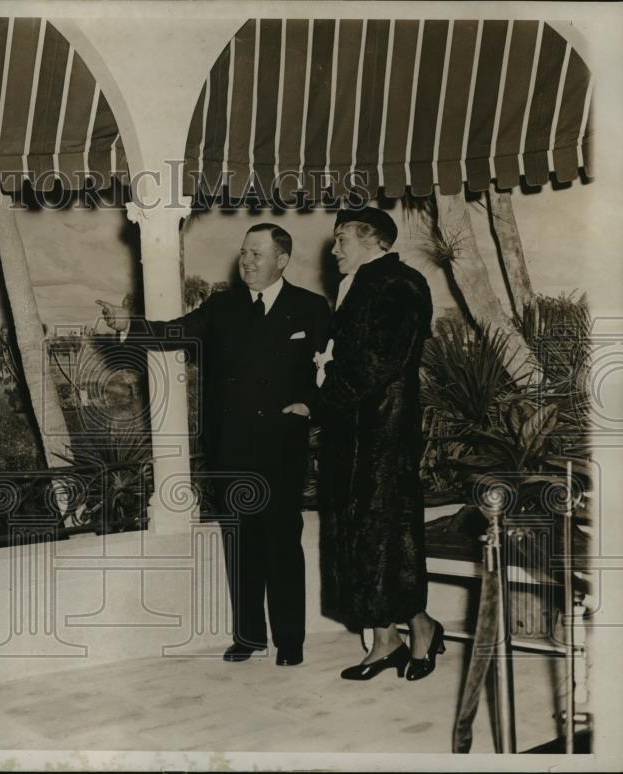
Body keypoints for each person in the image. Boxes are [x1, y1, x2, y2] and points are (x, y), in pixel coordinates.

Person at [99, 223, 331, 666]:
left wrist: (311, 405)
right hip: (230, 447)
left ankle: (290, 642)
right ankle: (248, 636)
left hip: (282, 445)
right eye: (244, 252)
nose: (247, 260)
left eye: (257, 254)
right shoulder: (223, 306)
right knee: (240, 540)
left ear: (282, 259)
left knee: (282, 541)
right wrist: (130, 324)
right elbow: (176, 332)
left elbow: (334, 366)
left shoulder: (311, 308)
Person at [315, 206, 442, 681]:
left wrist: (323, 398)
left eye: (341, 240)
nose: (333, 250)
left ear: (372, 241)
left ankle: (422, 628)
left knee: (389, 533)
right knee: (360, 534)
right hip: (354, 434)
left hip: (384, 434)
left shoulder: (400, 283)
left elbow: (380, 360)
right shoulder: (361, 283)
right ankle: (386, 639)